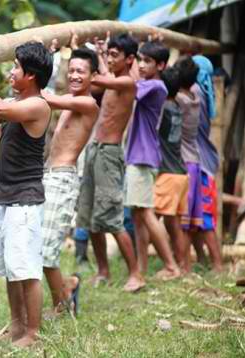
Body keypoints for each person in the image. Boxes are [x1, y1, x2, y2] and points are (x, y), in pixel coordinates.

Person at [0, 41, 52, 347]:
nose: (11, 70)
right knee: (12, 267)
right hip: (6, 197)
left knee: (28, 270)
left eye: (16, 66)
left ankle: (33, 332)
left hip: (25, 199)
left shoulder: (37, 105)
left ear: (31, 75)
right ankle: (17, 325)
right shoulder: (14, 104)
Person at [76, 33, 144, 292]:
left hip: (110, 154)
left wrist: (83, 60)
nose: (111, 60)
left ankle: (136, 274)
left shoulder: (128, 83)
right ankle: (103, 271)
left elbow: (98, 78)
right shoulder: (116, 79)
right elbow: (105, 74)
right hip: (95, 149)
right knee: (91, 217)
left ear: (130, 59)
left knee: (112, 218)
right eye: (111, 55)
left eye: (117, 56)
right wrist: (103, 51)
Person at [39, 45, 100, 317]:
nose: (75, 75)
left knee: (46, 251)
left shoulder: (87, 103)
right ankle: (69, 286)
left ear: (93, 76)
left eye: (81, 72)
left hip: (62, 180)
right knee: (39, 247)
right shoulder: (70, 98)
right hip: (47, 176)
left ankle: (62, 304)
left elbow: (48, 98)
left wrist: (31, 72)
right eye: (72, 70)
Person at [124, 40, 181, 279]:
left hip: (142, 156)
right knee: (139, 216)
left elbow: (129, 88)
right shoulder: (152, 84)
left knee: (146, 213)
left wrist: (128, 64)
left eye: (147, 61)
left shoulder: (155, 86)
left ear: (161, 65)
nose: (142, 65)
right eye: (140, 59)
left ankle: (171, 266)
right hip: (139, 155)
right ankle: (143, 268)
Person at [154, 66, 190, 269]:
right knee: (174, 225)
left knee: (148, 217)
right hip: (180, 173)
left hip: (168, 174)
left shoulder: (163, 108)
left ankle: (171, 266)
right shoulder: (177, 105)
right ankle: (184, 266)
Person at [191, 55, 224, 272]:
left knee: (205, 219)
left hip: (200, 163)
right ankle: (203, 261)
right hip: (201, 160)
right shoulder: (204, 92)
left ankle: (218, 265)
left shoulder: (194, 93)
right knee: (194, 217)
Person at [175, 56, 203, 273]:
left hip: (183, 162)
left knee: (182, 222)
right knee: (189, 221)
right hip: (195, 160)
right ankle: (186, 264)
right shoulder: (196, 96)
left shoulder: (180, 101)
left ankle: (183, 266)